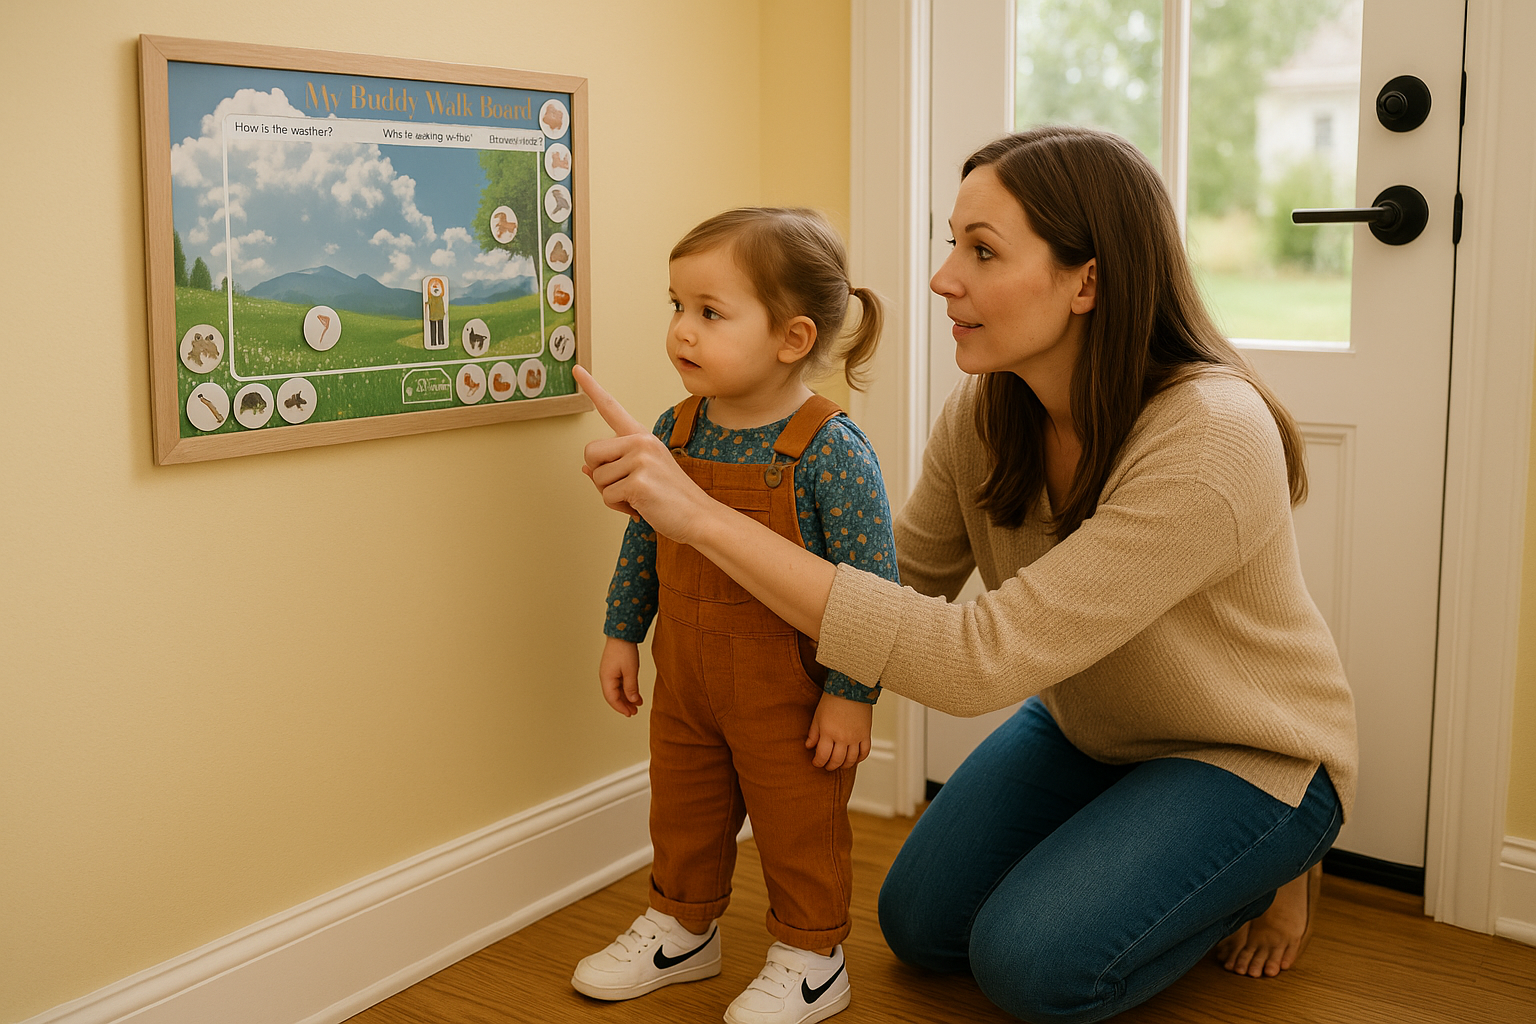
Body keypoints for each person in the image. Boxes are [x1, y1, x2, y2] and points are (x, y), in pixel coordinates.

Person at [575, 126, 1357, 1024]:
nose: (945, 277)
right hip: (1089, 725)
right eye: (953, 244)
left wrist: (702, 518)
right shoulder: (989, 411)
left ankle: (1276, 865)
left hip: (1243, 749)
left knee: (1031, 968)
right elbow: (895, 582)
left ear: (1086, 281)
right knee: (920, 926)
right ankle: (1137, 833)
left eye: (981, 251)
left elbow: (968, 660)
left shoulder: (1211, 434)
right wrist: (692, 557)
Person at [570, 208, 899, 1024]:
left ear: (792, 339)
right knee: (683, 808)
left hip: (789, 690)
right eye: (676, 306)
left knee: (799, 825)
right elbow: (644, 543)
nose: (682, 331)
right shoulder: (672, 430)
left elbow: (873, 586)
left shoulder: (830, 449)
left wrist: (852, 692)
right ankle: (683, 928)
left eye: (710, 313)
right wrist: (622, 631)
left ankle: (812, 954)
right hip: (684, 674)